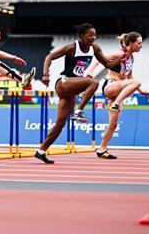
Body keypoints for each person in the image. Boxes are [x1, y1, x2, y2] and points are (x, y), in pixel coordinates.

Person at [35, 23, 123, 164]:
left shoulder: (94, 49)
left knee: (60, 124)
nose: (93, 37)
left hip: (73, 90)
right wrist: (45, 75)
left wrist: (121, 59)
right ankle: (79, 111)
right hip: (64, 83)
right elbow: (49, 57)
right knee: (93, 82)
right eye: (90, 35)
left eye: (94, 35)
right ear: (82, 36)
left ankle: (41, 151)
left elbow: (108, 64)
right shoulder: (72, 47)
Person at [85, 32, 149, 159]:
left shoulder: (131, 58)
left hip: (118, 90)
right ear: (131, 44)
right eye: (139, 43)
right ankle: (115, 104)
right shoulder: (120, 54)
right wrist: (90, 71)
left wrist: (140, 91)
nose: (141, 46)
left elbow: (130, 77)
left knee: (113, 123)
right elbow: (98, 58)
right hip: (110, 86)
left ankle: (102, 149)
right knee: (137, 83)